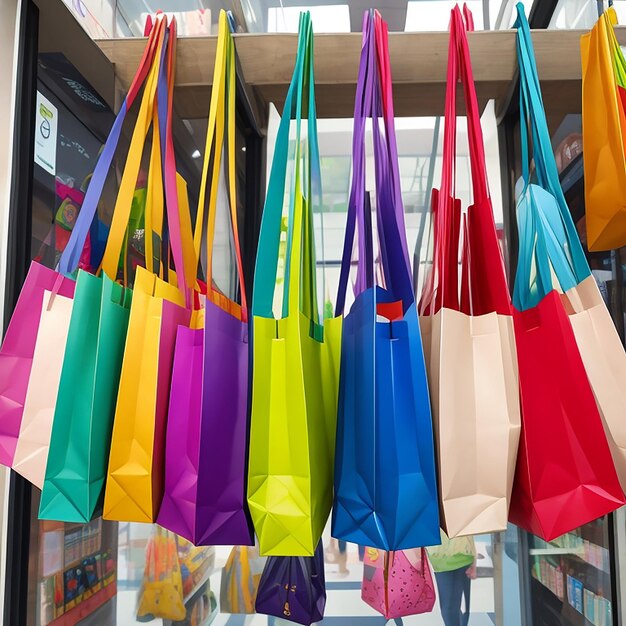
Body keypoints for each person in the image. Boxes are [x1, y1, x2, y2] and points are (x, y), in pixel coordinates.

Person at [427, 531, 476, 626]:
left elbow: (470, 527)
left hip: (463, 556)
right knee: (449, 609)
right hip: (441, 558)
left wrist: (474, 559)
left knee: (459, 608)